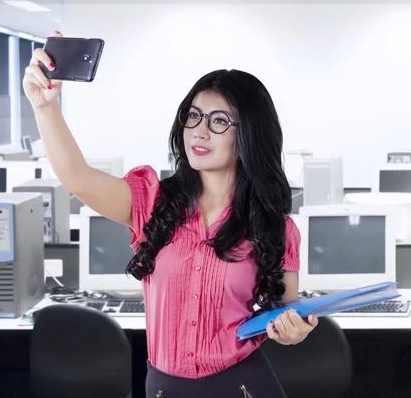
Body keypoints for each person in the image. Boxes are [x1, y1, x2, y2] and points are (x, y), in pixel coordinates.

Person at [23, 31, 318, 397]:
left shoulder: (275, 226)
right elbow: (77, 178)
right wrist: (44, 106)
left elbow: (286, 314)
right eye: (193, 116)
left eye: (219, 121)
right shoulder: (153, 202)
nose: (199, 131)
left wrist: (294, 331)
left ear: (248, 137)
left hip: (244, 385)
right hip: (165, 387)